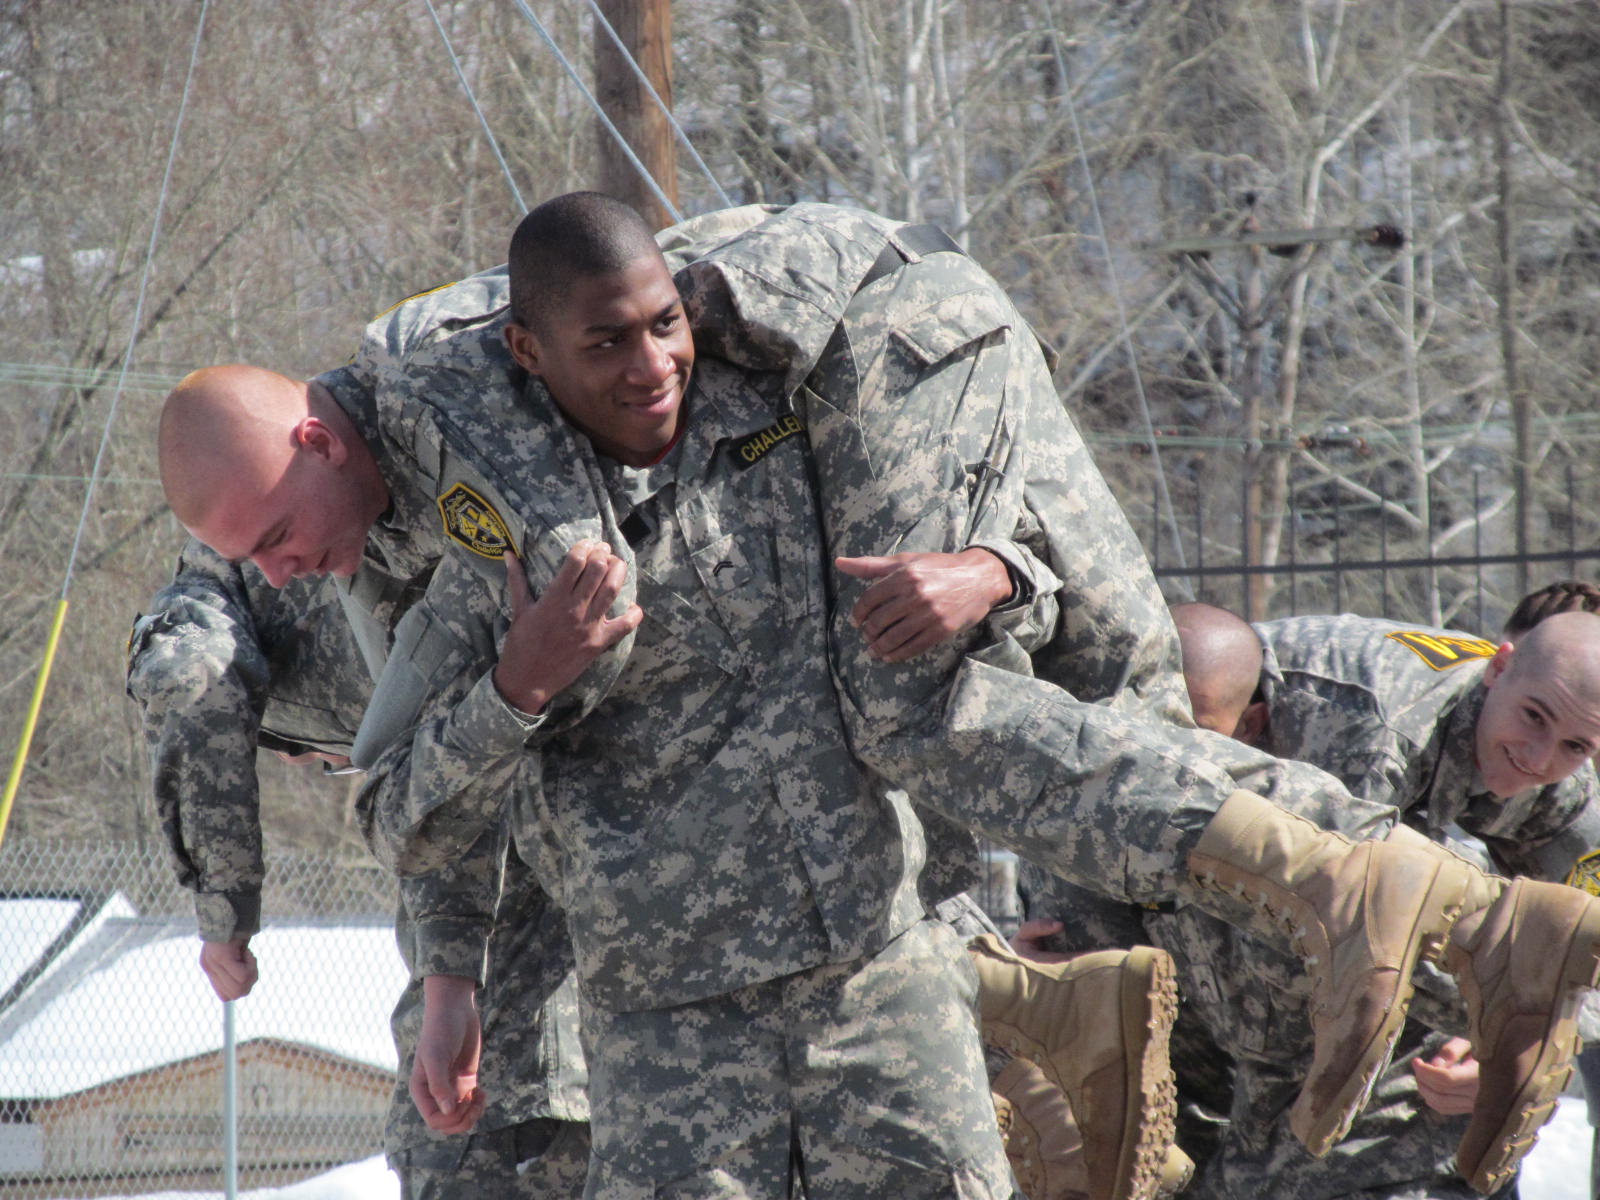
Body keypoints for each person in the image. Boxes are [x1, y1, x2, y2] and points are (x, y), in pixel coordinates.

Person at [157, 196, 1600, 1197]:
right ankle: (1436, 908)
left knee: (932, 700)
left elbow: (462, 719)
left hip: (905, 332)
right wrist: (455, 953)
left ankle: (1384, 892)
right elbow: (444, 762)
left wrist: (995, 564)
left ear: (314, 431)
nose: (286, 569)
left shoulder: (473, 422)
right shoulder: (413, 503)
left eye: (277, 531)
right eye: (253, 562)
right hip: (716, 962)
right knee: (1049, 701)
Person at [126, 539, 590, 1197]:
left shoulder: (245, 575)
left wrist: (223, 910)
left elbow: (189, 682)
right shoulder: (373, 515)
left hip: (529, 1070)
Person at [1099, 601, 1600, 1198]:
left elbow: (1583, 957)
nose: (1541, 757)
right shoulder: (1371, 734)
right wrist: (1498, 1026)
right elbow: (1343, 930)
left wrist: (1526, 1052)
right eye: (1534, 717)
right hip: (1181, 828)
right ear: (1499, 669)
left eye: (1575, 746)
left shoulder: (1563, 775)